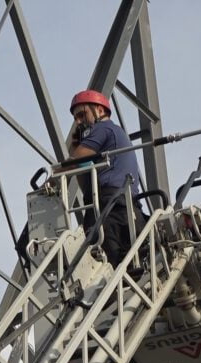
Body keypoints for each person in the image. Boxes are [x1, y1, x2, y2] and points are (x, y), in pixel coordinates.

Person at [68, 89, 144, 266]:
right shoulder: (111, 135)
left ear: (99, 110)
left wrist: (51, 179)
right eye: (75, 118)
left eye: (82, 115)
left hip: (111, 205)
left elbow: (76, 160)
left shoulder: (104, 128)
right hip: (118, 206)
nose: (78, 122)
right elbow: (83, 177)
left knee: (106, 262)